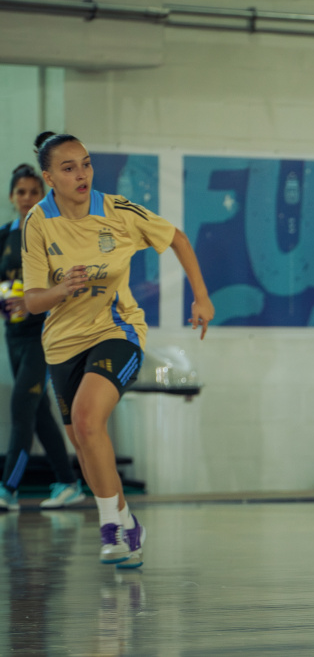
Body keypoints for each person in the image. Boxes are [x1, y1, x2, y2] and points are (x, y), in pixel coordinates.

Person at [21, 132, 214, 568]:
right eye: (68, 168)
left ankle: (109, 527)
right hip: (61, 345)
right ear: (49, 178)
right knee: (85, 442)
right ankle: (128, 522)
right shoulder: (38, 221)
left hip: (117, 330)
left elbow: (178, 238)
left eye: (86, 163)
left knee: (88, 419)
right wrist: (61, 289)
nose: (82, 174)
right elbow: (32, 301)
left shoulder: (118, 211)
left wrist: (201, 298)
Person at [0, 164, 83, 511]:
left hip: (44, 335)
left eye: (34, 192)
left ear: (43, 196)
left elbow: (66, 285)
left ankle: (8, 489)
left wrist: (33, 301)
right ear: (11, 197)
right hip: (14, 335)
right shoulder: (4, 236)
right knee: (40, 412)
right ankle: (68, 483)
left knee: (22, 406)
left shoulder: (52, 234)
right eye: (21, 192)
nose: (27, 198)